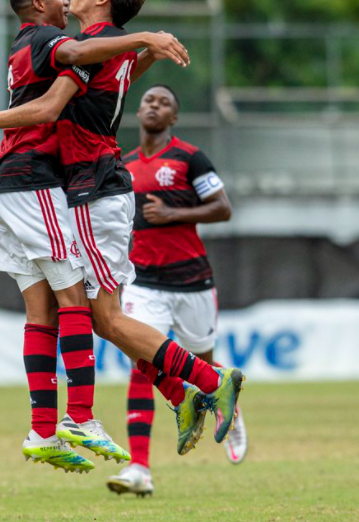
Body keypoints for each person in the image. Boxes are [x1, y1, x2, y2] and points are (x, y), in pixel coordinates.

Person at [0, 0, 245, 462]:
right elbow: (116, 71)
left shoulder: (87, 47)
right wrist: (145, 46)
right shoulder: (101, 47)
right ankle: (181, 393)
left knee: (103, 316)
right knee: (97, 316)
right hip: (92, 187)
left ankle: (206, 383)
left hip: (93, 188)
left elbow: (49, 107)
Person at [105, 84, 246, 497]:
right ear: (138, 112)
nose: (154, 105)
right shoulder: (125, 164)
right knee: (141, 359)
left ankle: (231, 411)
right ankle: (139, 468)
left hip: (192, 280)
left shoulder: (190, 158)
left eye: (164, 102)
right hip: (144, 281)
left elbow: (223, 208)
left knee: (203, 366)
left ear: (174, 117)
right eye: (148, 100)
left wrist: (172, 213)